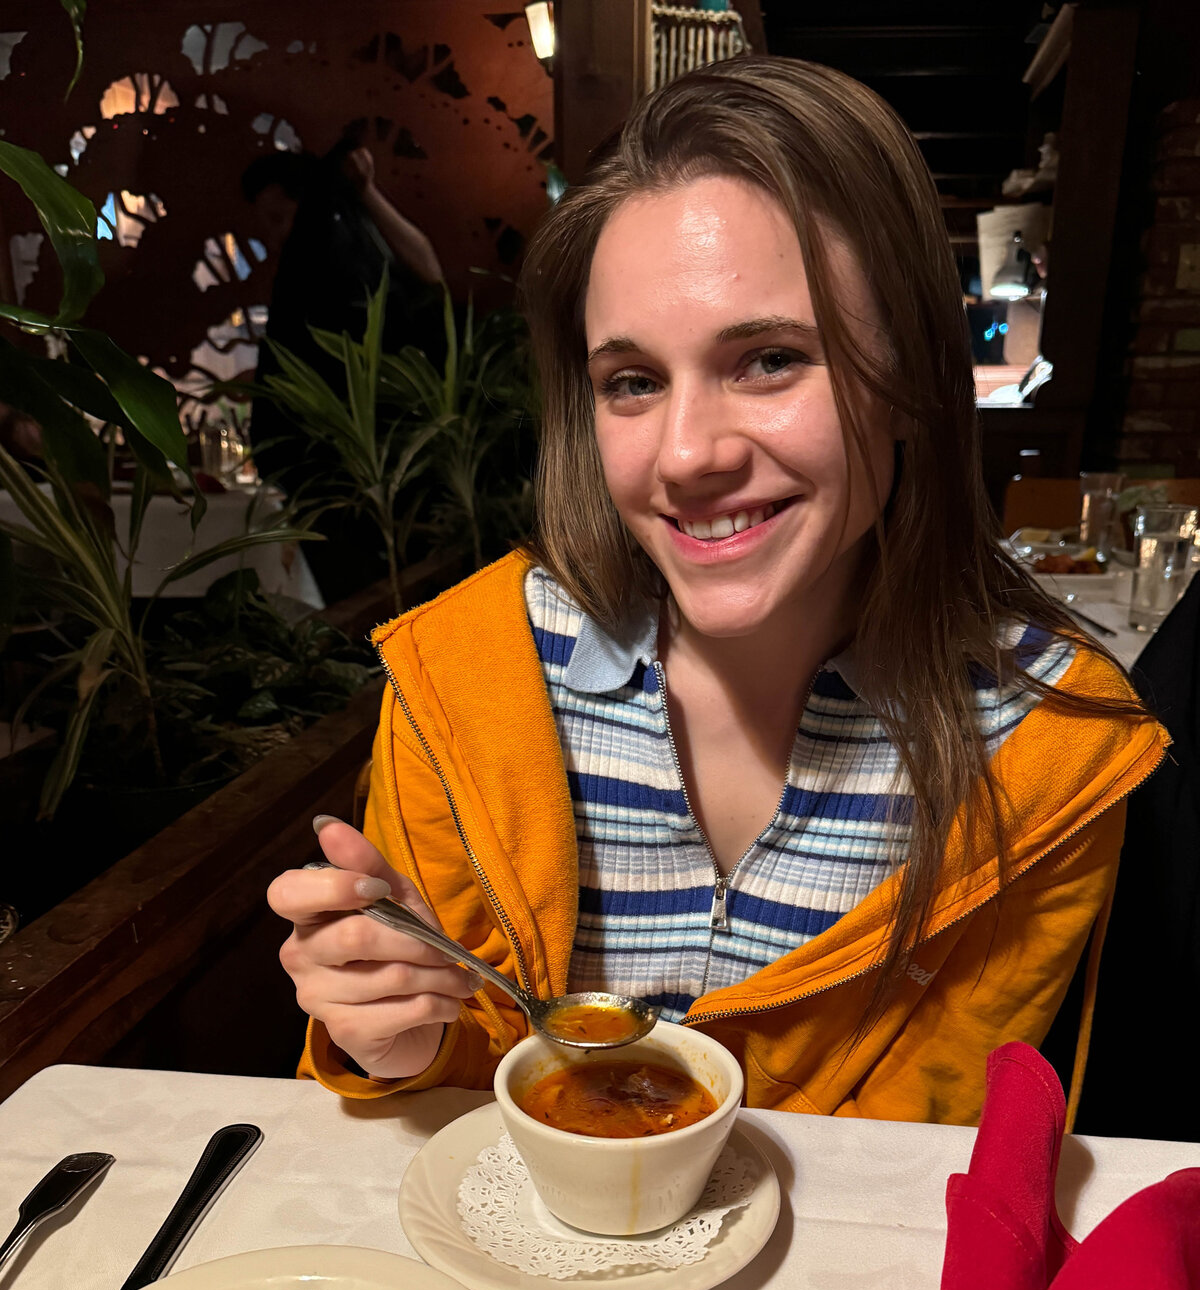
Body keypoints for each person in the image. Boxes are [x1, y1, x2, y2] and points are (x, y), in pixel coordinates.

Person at [267, 58, 1166, 1124]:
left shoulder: (1045, 754)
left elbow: (919, 1150)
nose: (686, 454)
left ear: (913, 383)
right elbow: (455, 1092)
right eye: (633, 382)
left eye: (770, 360)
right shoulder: (467, 681)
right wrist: (398, 1039)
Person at [243, 139, 443, 600]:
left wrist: (365, 190)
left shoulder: (350, 262)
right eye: (265, 224)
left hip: (386, 481)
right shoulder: (300, 287)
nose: (274, 236)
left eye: (279, 218)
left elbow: (430, 272)